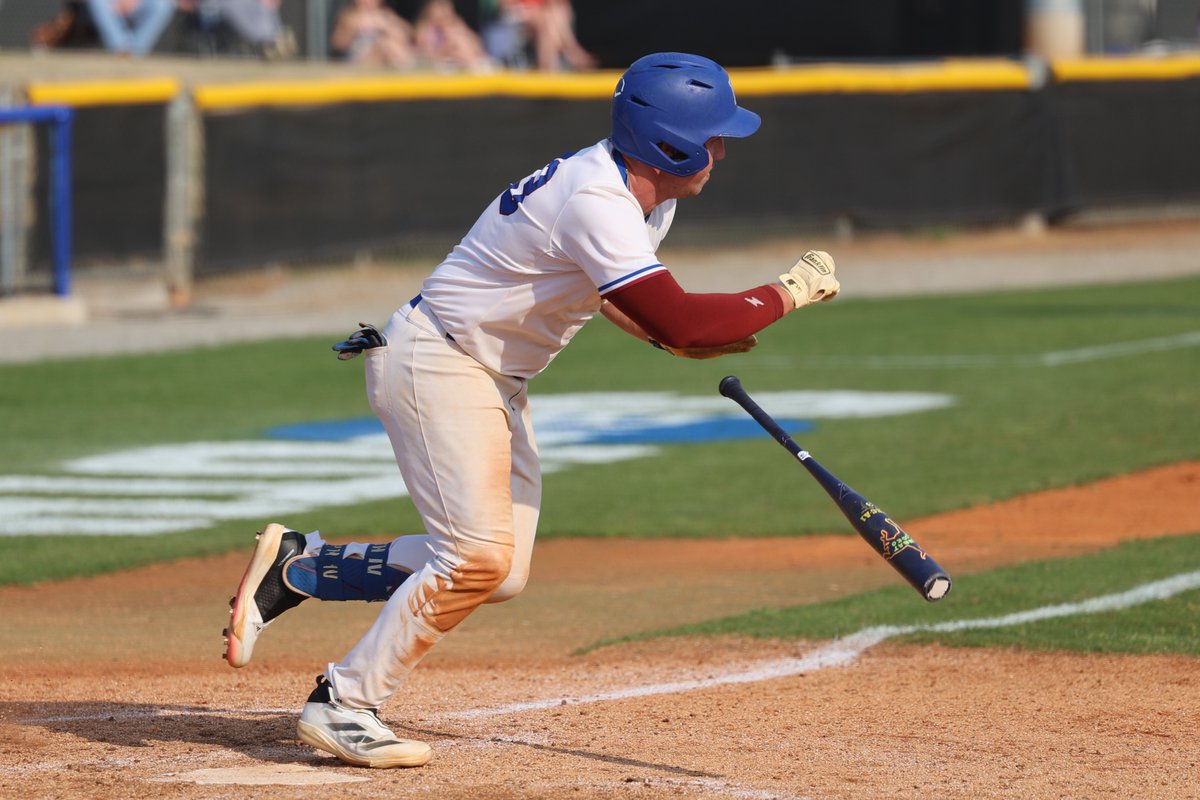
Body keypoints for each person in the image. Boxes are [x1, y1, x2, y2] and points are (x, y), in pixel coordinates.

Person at [222, 52, 840, 769]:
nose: (723, 150)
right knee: (476, 559)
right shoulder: (597, 199)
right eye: (712, 137)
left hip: (487, 376)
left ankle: (304, 567)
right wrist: (784, 293)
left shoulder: (643, 197)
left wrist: (669, 339)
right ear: (666, 145)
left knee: (500, 571)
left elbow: (617, 297)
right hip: (439, 362)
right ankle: (345, 702)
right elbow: (682, 318)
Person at [330, 0, 417, 69]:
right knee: (384, 45)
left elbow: (409, 35)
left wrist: (385, 25)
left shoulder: (386, 15)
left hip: (383, 65)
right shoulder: (348, 16)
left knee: (392, 43)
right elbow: (337, 45)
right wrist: (353, 29)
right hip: (355, 66)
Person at [414, 0, 492, 72]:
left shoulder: (457, 25)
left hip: (461, 61)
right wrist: (445, 48)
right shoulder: (425, 29)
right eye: (440, 7)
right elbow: (425, 56)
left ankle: (476, 66)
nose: (444, 11)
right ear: (430, 9)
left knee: (459, 40)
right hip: (436, 65)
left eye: (447, 7)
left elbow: (477, 46)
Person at [83, 0, 175, 56]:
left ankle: (135, 52)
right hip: (111, 3)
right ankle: (120, 48)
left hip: (140, 3)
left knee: (163, 5)